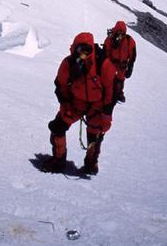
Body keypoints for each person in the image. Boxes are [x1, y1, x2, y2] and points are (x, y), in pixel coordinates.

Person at [45, 31, 117, 175]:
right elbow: (61, 86)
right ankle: (59, 160)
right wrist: (65, 105)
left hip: (97, 107)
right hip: (75, 103)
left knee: (95, 135)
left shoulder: (103, 64)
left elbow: (111, 92)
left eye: (87, 49)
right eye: (80, 49)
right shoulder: (69, 64)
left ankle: (91, 164)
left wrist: (107, 115)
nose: (83, 53)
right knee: (58, 127)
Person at [103, 20, 137, 103]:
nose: (120, 35)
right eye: (119, 32)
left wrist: (130, 66)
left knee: (120, 81)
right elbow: (105, 52)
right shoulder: (110, 40)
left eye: (122, 33)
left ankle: (118, 93)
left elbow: (133, 54)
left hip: (122, 66)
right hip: (111, 64)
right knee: (109, 80)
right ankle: (107, 94)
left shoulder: (129, 41)